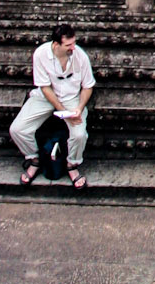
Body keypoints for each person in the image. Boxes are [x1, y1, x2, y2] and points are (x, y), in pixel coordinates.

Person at [10, 25, 94, 189]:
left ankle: (71, 164)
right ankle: (35, 159)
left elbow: (88, 86)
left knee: (79, 135)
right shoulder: (41, 54)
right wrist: (61, 110)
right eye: (68, 45)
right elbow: (45, 87)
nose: (73, 48)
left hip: (72, 98)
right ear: (56, 45)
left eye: (74, 43)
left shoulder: (80, 56)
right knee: (17, 129)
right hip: (46, 98)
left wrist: (79, 108)